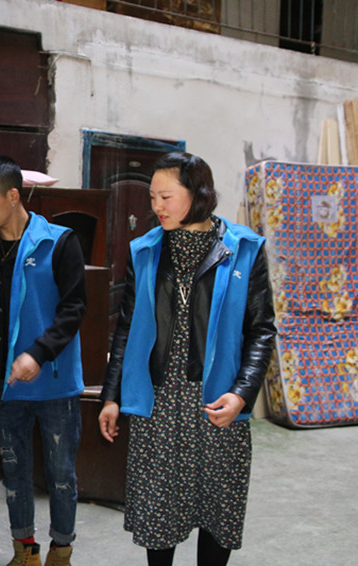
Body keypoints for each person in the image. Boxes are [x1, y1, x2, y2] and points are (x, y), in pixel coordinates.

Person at [98, 152, 276, 566]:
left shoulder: (243, 250)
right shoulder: (145, 251)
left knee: (218, 512)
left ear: (198, 195)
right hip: (158, 407)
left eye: (166, 197)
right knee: (158, 515)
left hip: (217, 405)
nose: (156, 206)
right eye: (152, 197)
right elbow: (126, 328)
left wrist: (241, 394)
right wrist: (111, 396)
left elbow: (261, 331)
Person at [0, 155, 87, 566]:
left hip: (54, 383)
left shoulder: (59, 242)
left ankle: (61, 551)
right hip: (5, 385)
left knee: (61, 473)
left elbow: (73, 309)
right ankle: (25, 551)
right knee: (14, 473)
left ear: (12, 196)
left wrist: (38, 352)